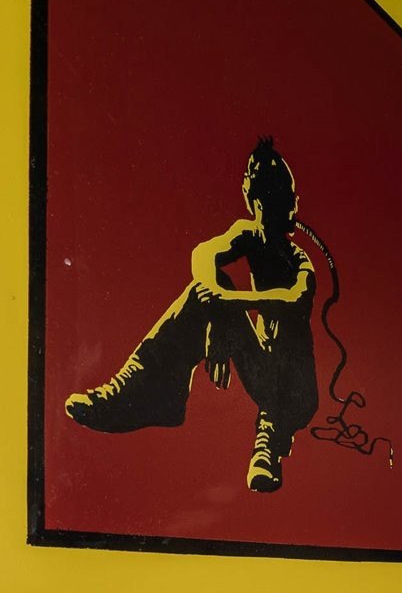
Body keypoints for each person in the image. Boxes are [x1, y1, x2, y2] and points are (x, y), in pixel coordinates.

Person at [65, 137, 318, 492]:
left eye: (290, 196)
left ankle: (270, 440)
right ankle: (136, 389)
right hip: (262, 370)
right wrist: (216, 309)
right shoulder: (248, 235)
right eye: (279, 198)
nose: (290, 205)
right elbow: (203, 254)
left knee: (219, 295)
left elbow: (292, 300)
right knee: (203, 291)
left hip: (296, 392)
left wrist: (225, 304)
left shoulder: (300, 261)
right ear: (258, 204)